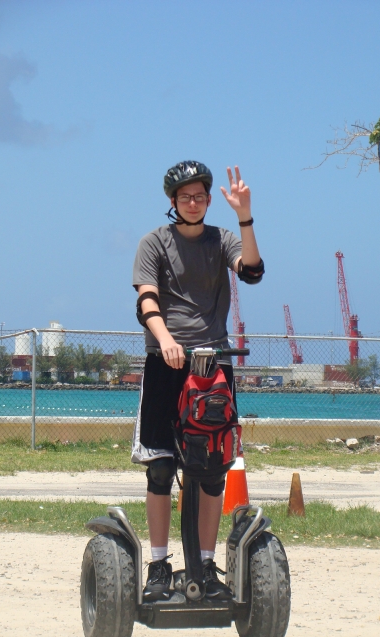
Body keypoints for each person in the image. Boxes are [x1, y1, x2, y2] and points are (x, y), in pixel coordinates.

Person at [132, 160, 264, 601]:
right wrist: (166, 341)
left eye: (201, 196)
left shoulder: (222, 238)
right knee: (162, 466)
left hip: (214, 364)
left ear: (209, 200)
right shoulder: (154, 242)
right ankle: (157, 566)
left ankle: (206, 567)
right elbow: (146, 299)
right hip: (166, 362)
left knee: (211, 472)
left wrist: (244, 214)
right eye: (186, 197)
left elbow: (252, 270)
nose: (193, 203)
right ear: (173, 201)